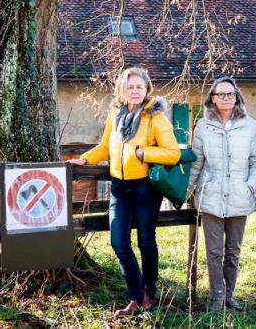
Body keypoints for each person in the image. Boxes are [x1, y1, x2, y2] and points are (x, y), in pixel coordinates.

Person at [68, 67, 180, 317]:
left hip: (145, 189)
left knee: (145, 241)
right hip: (119, 187)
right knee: (118, 242)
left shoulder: (155, 116)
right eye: (130, 87)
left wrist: (145, 153)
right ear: (122, 89)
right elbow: (105, 147)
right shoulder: (115, 115)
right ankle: (136, 295)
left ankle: (149, 292)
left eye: (140, 87)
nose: (135, 91)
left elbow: (173, 153)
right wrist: (85, 160)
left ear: (147, 89)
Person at [187, 77, 256, 310]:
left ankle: (229, 295)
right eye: (221, 94)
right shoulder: (202, 125)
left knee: (233, 251)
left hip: (240, 195)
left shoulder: (249, 125)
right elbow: (197, 162)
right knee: (214, 251)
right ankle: (217, 297)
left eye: (230, 94)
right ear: (213, 98)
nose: (226, 98)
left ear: (236, 96)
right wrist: (187, 191)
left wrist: (250, 185)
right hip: (211, 197)